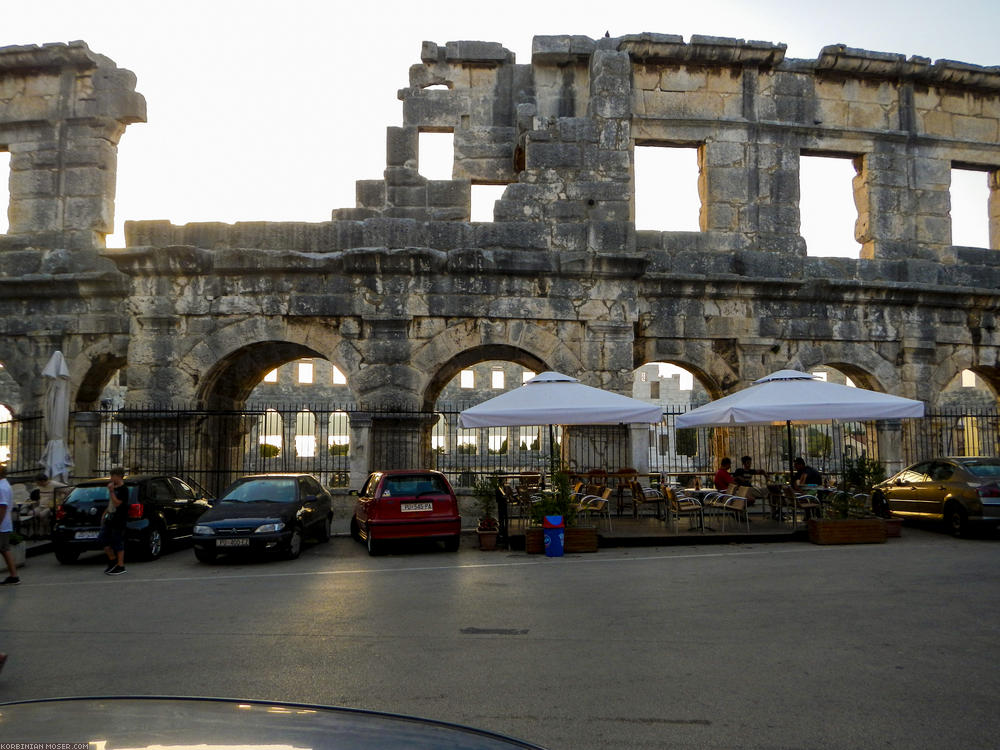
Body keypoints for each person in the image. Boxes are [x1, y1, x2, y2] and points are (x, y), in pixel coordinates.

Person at [99, 467, 129, 576]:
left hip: (119, 518)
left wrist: (111, 491)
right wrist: (105, 513)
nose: (111, 478)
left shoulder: (123, 489)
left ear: (119, 476)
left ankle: (120, 565)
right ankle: (112, 560)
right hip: (110, 517)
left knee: (118, 541)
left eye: (113, 476)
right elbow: (111, 503)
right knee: (103, 539)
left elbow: (117, 503)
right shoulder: (114, 487)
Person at [0, 465, 20, 585]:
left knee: (4, 549)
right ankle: (14, 575)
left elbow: (2, 508)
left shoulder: (1, 488)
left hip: (2, 524)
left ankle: (14, 576)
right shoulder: (6, 485)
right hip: (5, 523)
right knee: (4, 549)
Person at [33, 473, 67, 537]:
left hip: (52, 506)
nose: (37, 484)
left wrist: (61, 500)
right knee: (31, 513)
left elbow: (69, 489)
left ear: (42, 481)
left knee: (42, 515)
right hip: (41, 506)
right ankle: (36, 533)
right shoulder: (40, 486)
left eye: (38, 483)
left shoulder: (55, 484)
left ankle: (46, 533)